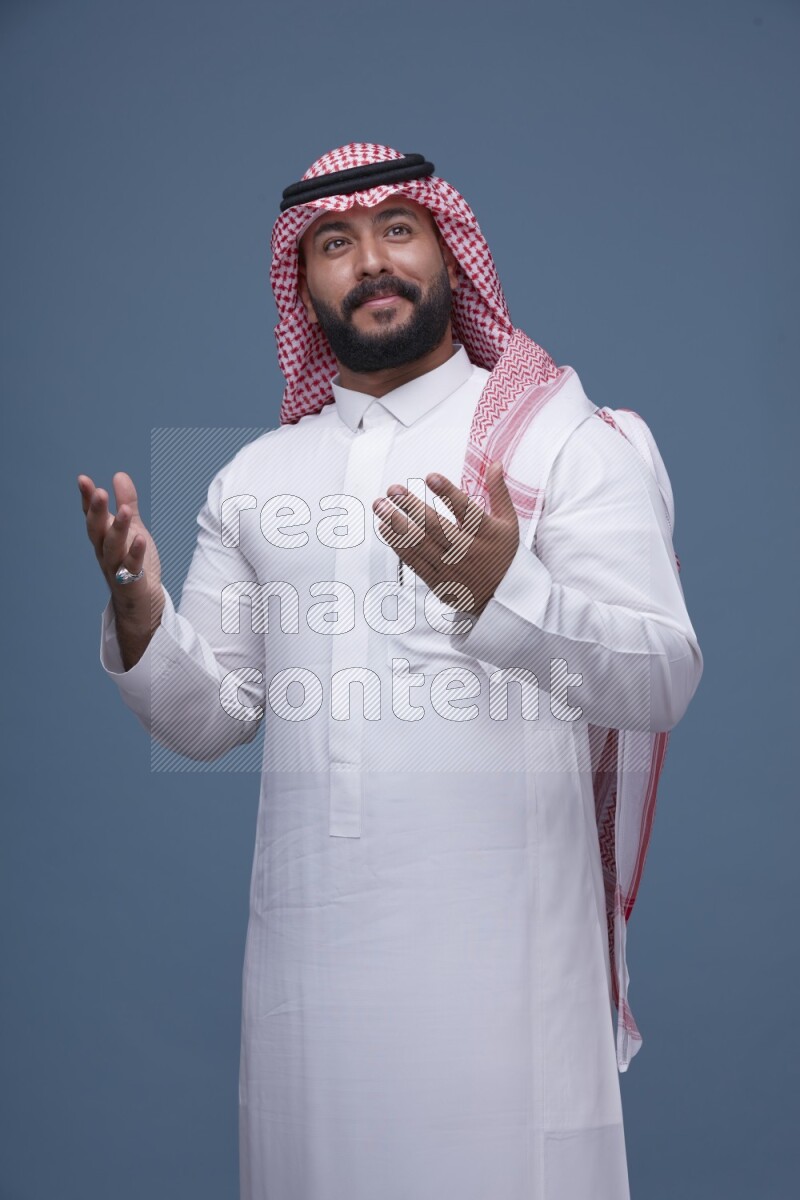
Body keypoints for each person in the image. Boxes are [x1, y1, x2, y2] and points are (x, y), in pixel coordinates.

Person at [78, 143, 703, 1200]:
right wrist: (139, 609)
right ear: (301, 281)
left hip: (507, 983)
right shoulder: (255, 478)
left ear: (450, 256)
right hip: (307, 989)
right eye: (335, 243)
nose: (371, 260)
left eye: (397, 231)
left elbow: (661, 676)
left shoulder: (558, 439)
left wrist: (505, 594)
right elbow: (210, 715)